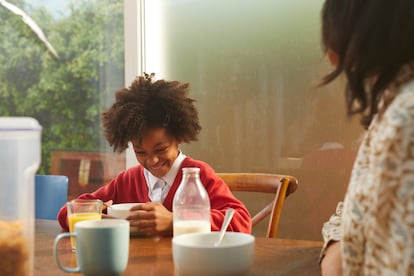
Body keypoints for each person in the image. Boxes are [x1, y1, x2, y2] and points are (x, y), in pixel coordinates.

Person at [57, 73, 252, 236]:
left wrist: (175, 222)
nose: (152, 160)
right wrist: (95, 217)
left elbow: (241, 222)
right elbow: (67, 213)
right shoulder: (128, 180)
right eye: (140, 152)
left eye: (160, 149)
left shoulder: (197, 175)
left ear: (179, 137)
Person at [318, 0, 414, 275]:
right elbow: (352, 206)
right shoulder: (392, 106)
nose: (330, 57)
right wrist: (336, 246)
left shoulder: (405, 117)